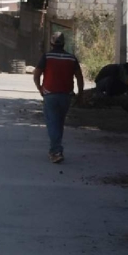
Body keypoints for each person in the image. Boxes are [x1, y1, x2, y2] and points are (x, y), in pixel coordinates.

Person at [33, 32, 85, 164]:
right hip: (66, 96)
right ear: (64, 44)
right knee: (59, 122)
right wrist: (80, 94)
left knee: (52, 123)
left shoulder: (47, 56)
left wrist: (39, 87)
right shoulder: (72, 58)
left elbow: (36, 74)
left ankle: (56, 151)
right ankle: (56, 149)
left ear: (51, 43)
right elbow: (79, 77)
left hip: (50, 95)